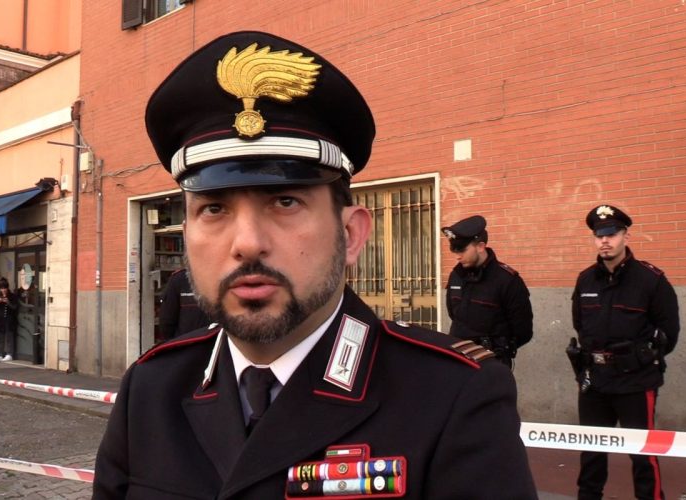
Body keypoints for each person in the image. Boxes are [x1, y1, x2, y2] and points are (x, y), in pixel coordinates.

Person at [94, 31, 536, 499]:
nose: (247, 244)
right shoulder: (150, 389)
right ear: (187, 237)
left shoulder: (452, 395)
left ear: (351, 235)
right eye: (214, 208)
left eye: (285, 201)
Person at [569, 204, 679, 500]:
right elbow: (580, 324)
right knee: (591, 453)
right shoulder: (585, 280)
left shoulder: (650, 280)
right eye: (599, 235)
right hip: (595, 381)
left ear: (625, 236)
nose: (605, 240)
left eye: (611, 234)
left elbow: (669, 334)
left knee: (643, 455)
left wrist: (639, 357)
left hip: (635, 382)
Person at [442, 215, 533, 368]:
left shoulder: (507, 280)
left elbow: (523, 330)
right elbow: (454, 315)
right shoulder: (456, 276)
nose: (457, 256)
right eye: (455, 250)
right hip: (459, 360)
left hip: (491, 363)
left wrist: (499, 349)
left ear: (480, 246)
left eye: (462, 250)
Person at [158, 267, 210, 340]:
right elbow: (167, 322)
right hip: (188, 342)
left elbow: (166, 323)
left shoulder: (179, 279)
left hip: (188, 342)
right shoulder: (179, 279)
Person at [0, 277, 18, 363]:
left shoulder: (12, 296)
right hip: (0, 320)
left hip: (9, 320)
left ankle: (9, 354)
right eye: (2, 288)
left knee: (9, 337)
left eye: (5, 288)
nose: (3, 290)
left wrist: (8, 302)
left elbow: (15, 307)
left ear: (7, 288)